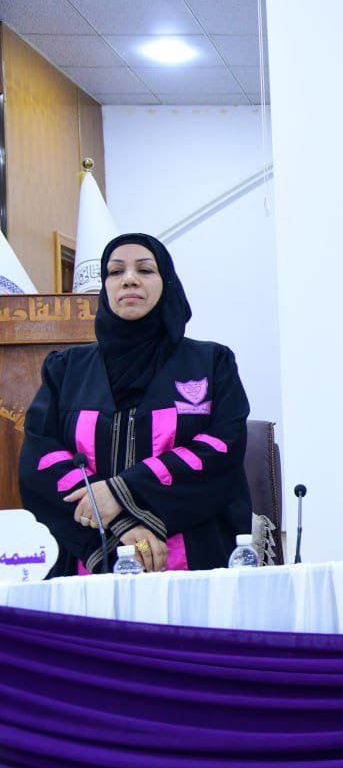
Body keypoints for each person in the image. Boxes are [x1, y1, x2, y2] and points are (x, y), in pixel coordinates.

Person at [19, 233, 252, 575]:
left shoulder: (211, 363)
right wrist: (121, 526)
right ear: (105, 287)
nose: (129, 279)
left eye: (145, 270)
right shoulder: (65, 369)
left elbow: (223, 447)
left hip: (196, 553)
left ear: (166, 282)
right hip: (90, 552)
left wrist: (122, 491)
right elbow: (40, 459)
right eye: (115, 272)